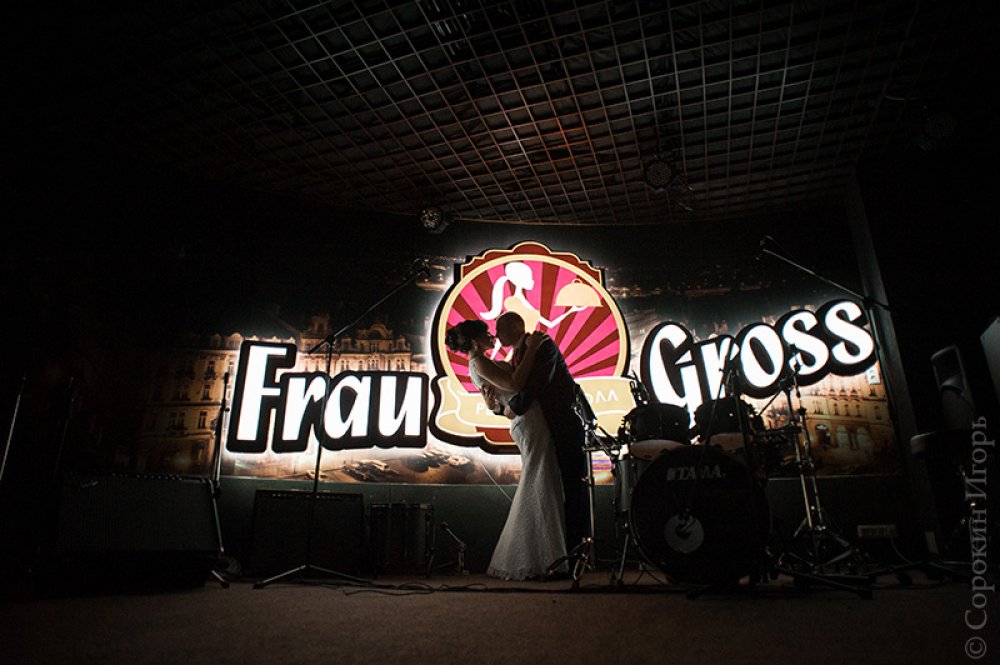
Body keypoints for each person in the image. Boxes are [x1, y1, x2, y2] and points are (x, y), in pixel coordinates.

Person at [444, 319, 568, 580]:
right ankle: (542, 558)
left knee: (540, 479)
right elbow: (514, 384)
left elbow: (499, 397)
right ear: (475, 341)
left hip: (528, 419)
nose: (493, 336)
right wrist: (532, 348)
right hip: (529, 421)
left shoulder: (479, 363)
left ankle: (540, 556)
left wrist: (496, 406)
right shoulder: (479, 362)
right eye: (487, 334)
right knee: (540, 480)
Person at [495, 311, 589, 556]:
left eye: (500, 330)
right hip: (549, 426)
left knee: (572, 486)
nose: (496, 335)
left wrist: (514, 408)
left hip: (564, 424)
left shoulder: (542, 345)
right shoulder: (521, 351)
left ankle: (577, 550)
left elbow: (538, 383)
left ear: (515, 326)